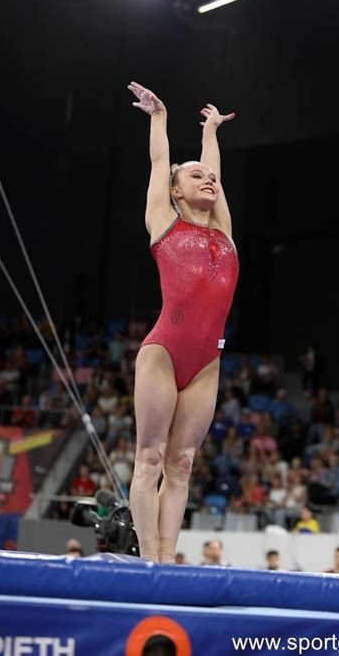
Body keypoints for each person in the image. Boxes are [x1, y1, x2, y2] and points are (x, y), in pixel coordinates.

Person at [127, 82, 238, 564]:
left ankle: (168, 558)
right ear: (176, 190)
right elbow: (159, 164)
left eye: (210, 177)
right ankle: (148, 555)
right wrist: (160, 117)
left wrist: (211, 131)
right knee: (150, 457)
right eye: (196, 176)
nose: (207, 181)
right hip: (164, 352)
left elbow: (215, 171)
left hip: (206, 362)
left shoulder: (224, 232)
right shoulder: (164, 223)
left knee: (182, 463)